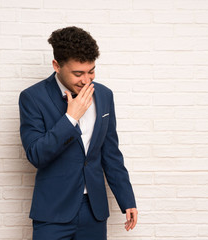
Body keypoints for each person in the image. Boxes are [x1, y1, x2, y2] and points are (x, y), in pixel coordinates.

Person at [19, 26, 137, 240]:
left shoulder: (104, 95)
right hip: (53, 211)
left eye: (91, 71)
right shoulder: (33, 98)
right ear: (57, 66)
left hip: (94, 211)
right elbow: (36, 155)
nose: (86, 80)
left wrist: (127, 199)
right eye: (78, 73)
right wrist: (70, 118)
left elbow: (110, 154)